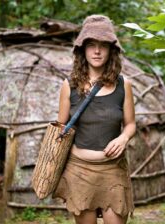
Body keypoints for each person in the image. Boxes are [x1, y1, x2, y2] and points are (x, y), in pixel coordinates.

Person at [53, 14, 136, 224]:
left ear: (111, 50)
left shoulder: (123, 85)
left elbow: (130, 124)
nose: (97, 51)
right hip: (79, 171)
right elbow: (60, 129)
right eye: (91, 45)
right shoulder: (68, 85)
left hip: (113, 170)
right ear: (82, 49)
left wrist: (123, 139)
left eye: (103, 45)